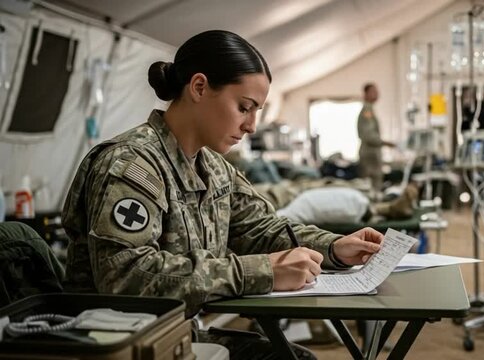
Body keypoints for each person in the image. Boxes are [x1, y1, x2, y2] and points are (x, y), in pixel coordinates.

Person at [62, 30, 384, 360]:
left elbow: (262, 231)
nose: (252, 126)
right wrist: (261, 272)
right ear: (199, 87)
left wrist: (332, 246)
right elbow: (126, 277)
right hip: (120, 343)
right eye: (245, 107)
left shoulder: (214, 167)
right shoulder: (131, 165)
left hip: (171, 336)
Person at [357, 83, 395, 193]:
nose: (377, 94)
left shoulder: (370, 109)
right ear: (366, 94)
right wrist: (385, 143)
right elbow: (369, 135)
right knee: (372, 188)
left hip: (371, 154)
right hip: (370, 155)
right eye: (373, 91)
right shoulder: (367, 110)